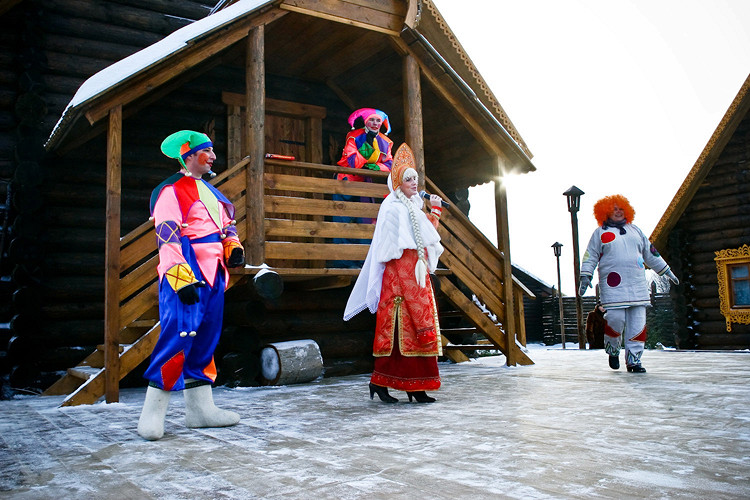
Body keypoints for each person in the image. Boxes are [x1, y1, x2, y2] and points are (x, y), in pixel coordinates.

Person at [137, 130, 245, 440]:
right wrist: (179, 277)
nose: (212, 156)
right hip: (187, 271)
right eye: (205, 151)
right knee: (179, 337)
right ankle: (152, 414)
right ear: (188, 156)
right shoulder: (171, 191)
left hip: (214, 273)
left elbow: (227, 229)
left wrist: (233, 248)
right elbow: (167, 238)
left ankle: (200, 410)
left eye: (212, 150)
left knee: (206, 338)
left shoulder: (213, 193)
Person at [343, 143, 444, 403]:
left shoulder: (413, 207)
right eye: (408, 178)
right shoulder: (392, 207)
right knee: (400, 334)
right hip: (400, 278)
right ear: (398, 181)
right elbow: (392, 250)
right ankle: (383, 383)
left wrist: (435, 212)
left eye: (415, 179)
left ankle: (415, 387)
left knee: (415, 331)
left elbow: (424, 239)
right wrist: (409, 281)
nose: (413, 183)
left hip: (416, 275)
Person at [579, 194, 678, 373]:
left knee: (638, 326)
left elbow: (651, 253)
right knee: (615, 320)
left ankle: (634, 361)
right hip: (613, 287)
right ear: (605, 212)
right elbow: (591, 255)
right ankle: (613, 350)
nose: (618, 211)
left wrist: (667, 271)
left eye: (621, 208)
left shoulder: (636, 231)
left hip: (638, 286)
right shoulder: (599, 233)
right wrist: (586, 275)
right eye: (613, 209)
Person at [332, 108, 393, 266]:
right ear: (365, 122)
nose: (375, 123)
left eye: (378, 120)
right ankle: (342, 263)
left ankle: (362, 263)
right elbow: (353, 162)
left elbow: (390, 164)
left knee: (365, 223)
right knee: (344, 223)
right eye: (371, 120)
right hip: (346, 184)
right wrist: (369, 149)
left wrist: (376, 168)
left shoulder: (386, 142)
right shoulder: (354, 136)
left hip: (366, 186)